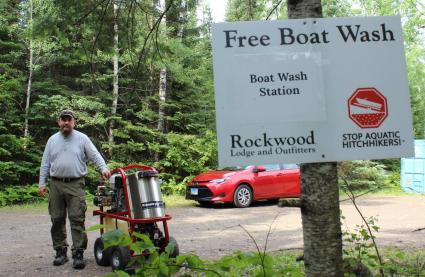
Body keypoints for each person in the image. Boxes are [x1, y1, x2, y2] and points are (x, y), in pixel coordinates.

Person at [38, 110, 111, 269]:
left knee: (77, 218)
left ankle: (78, 253)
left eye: (68, 120)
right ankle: (60, 252)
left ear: (74, 122)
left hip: (76, 184)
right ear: (59, 122)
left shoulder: (82, 138)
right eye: (63, 120)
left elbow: (95, 155)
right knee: (56, 218)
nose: (66, 123)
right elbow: (45, 163)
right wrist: (42, 184)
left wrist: (103, 168)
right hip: (55, 184)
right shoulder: (52, 140)